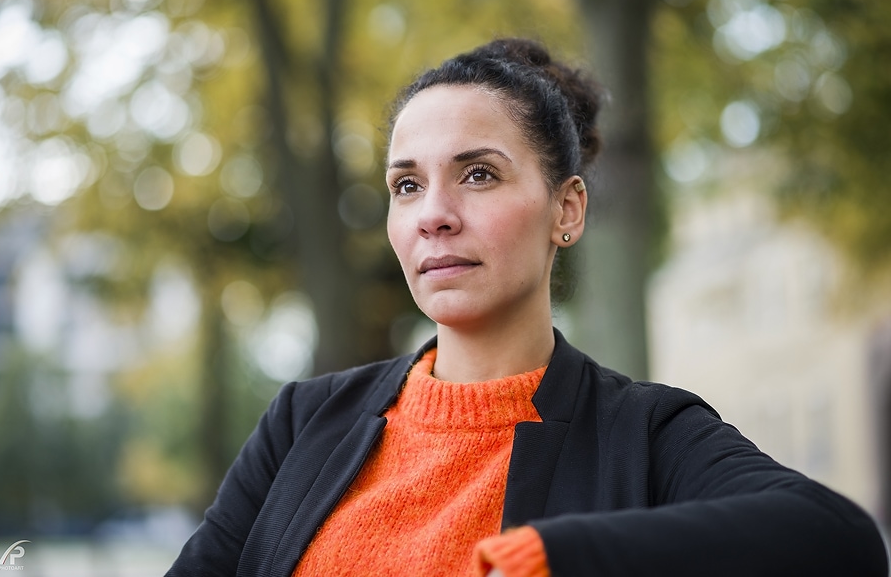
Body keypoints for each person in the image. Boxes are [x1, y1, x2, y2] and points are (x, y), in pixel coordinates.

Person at [166, 38, 888, 576]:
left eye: (478, 174)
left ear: (566, 210)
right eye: (407, 186)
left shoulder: (642, 434)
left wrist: (567, 555)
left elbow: (839, 539)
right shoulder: (303, 421)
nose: (433, 215)